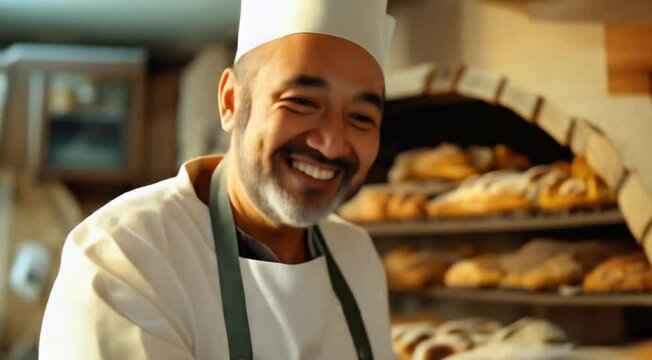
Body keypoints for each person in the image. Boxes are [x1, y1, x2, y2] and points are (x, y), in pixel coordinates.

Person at [39, 0, 396, 358]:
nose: (332, 143)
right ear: (230, 102)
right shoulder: (125, 252)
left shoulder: (357, 255)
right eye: (301, 101)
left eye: (362, 117)